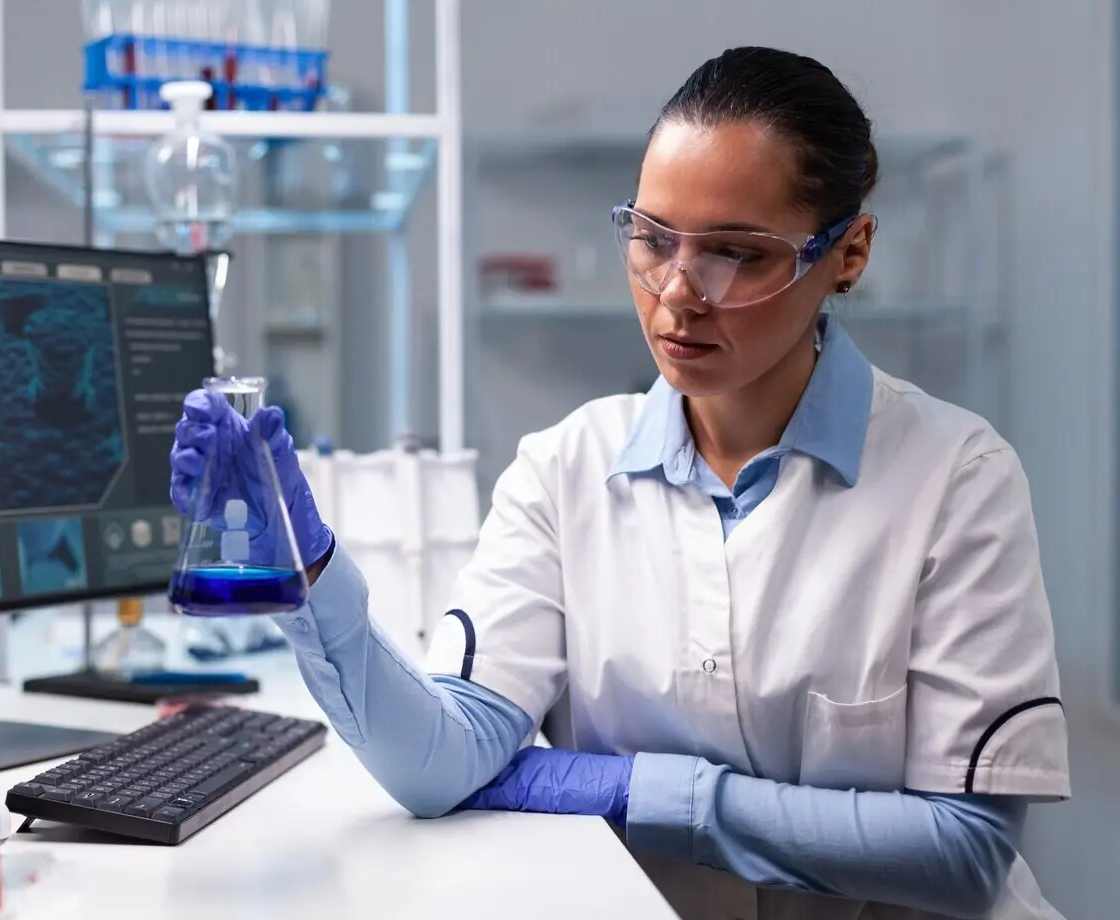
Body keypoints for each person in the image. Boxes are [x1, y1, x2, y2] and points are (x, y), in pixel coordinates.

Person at [171, 46, 1070, 920]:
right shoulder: (563, 470)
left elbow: (963, 850)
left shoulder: (958, 477)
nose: (678, 294)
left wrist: (646, 793)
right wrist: (308, 568)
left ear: (848, 253)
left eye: (736, 253)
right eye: (651, 239)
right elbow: (438, 763)